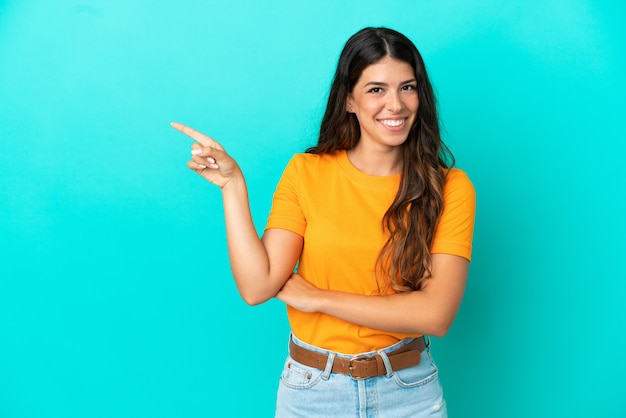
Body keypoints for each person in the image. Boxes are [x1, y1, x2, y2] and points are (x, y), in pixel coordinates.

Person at [172, 27, 475, 418]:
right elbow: (257, 285)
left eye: (407, 87)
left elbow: (436, 314)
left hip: (409, 393)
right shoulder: (306, 173)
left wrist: (319, 299)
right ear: (349, 100)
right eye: (376, 90)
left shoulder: (450, 187)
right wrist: (233, 185)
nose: (396, 105)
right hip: (313, 393)